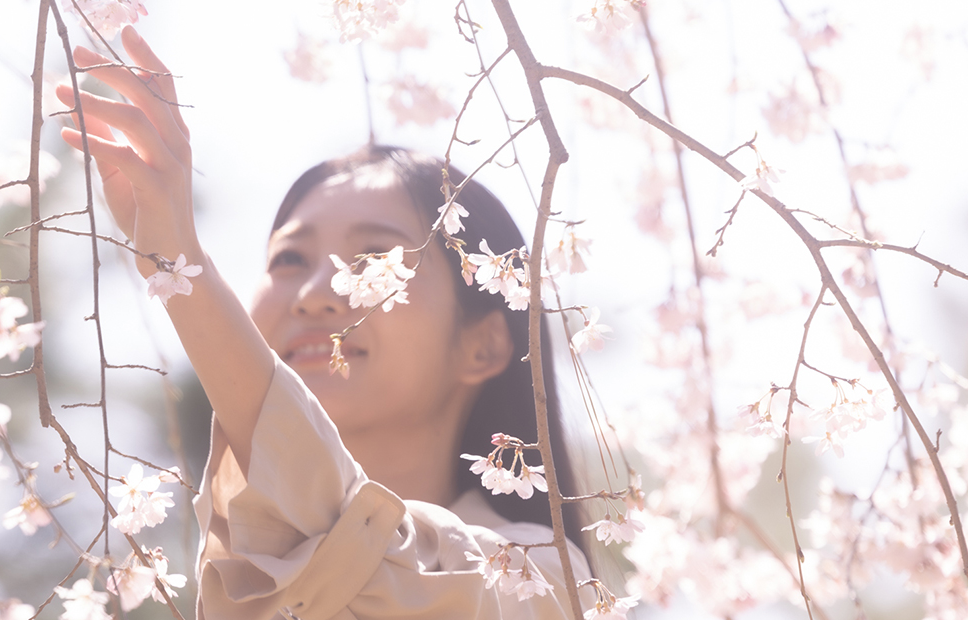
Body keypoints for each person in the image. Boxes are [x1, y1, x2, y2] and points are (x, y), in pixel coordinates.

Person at [55, 26, 591, 619]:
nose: (315, 295)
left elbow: (366, 553)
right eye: (288, 260)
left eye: (371, 261)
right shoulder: (239, 566)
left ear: (483, 344)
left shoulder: (537, 580)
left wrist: (186, 268)